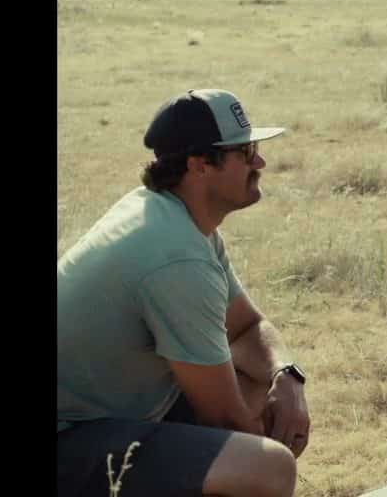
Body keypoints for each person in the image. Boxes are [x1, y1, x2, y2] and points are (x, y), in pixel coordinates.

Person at [58, 89, 311, 497]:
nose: (260, 162)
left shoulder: (171, 214)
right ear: (199, 165)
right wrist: (264, 451)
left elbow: (246, 329)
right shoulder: (175, 257)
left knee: (261, 389)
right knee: (269, 468)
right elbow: (225, 421)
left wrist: (288, 377)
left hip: (108, 417)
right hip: (69, 439)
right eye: (245, 152)